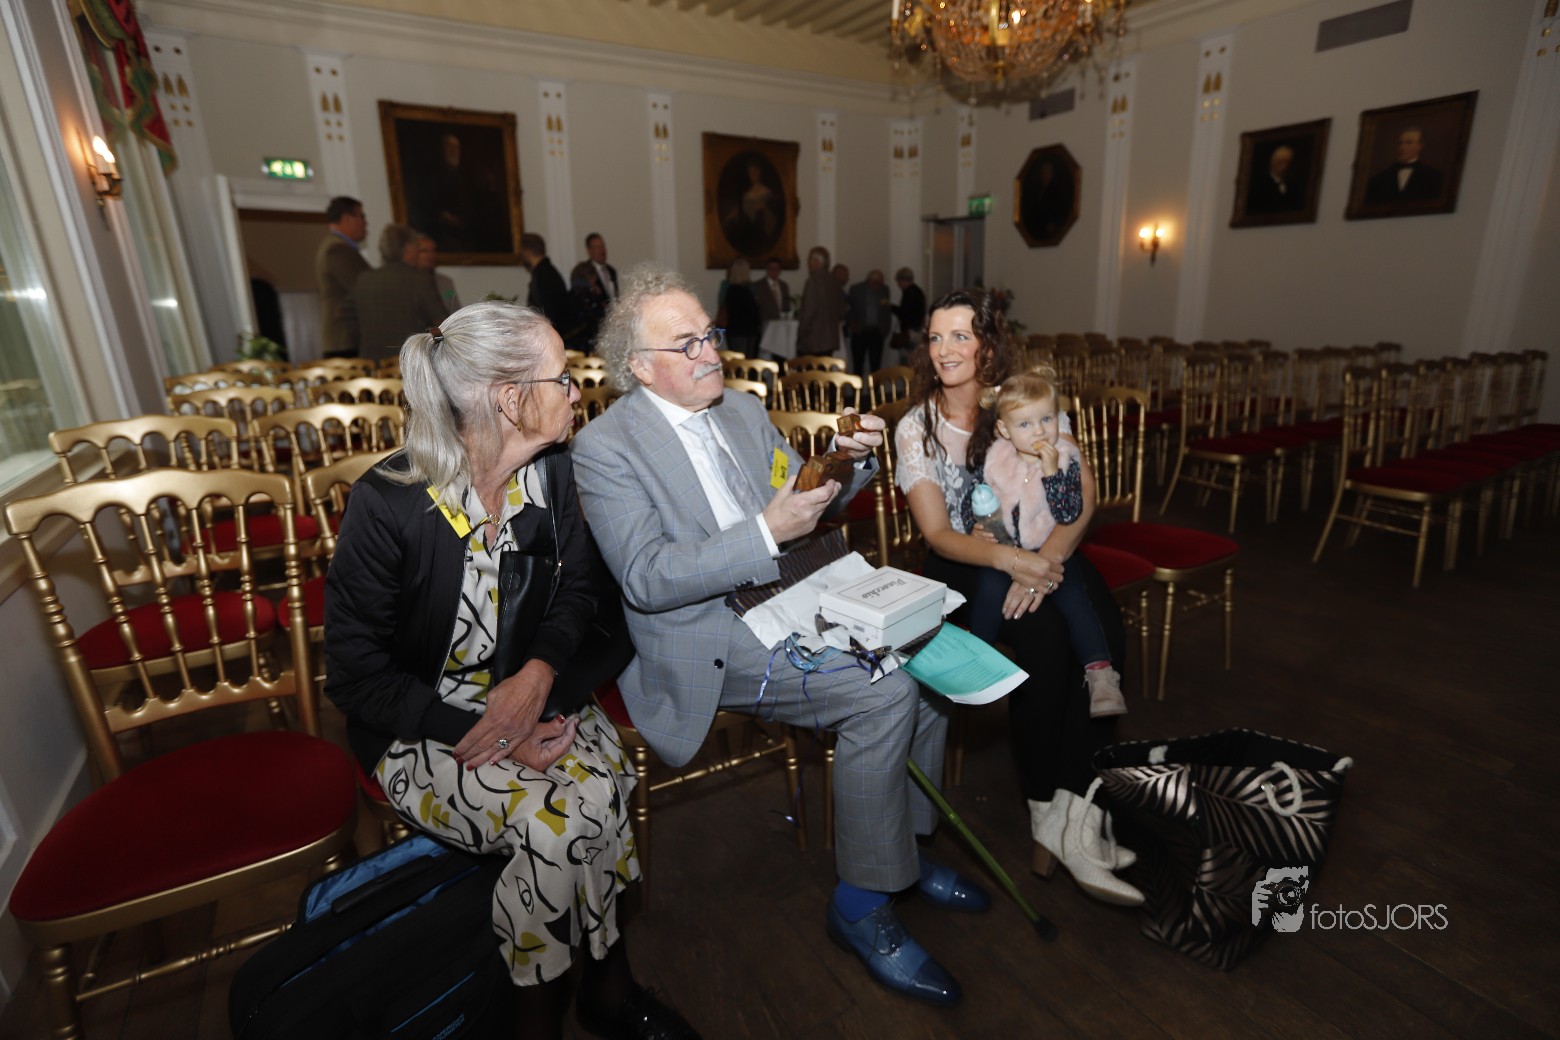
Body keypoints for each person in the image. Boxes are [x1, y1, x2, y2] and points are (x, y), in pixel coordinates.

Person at [571, 262, 989, 1008]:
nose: (711, 353)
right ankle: (861, 904)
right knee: (882, 691)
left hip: (797, 593)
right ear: (640, 366)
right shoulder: (606, 448)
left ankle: (898, 847)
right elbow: (647, 578)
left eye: (710, 334)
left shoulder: (738, 409)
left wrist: (852, 462)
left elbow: (807, 495)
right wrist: (766, 532)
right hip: (708, 629)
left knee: (922, 652)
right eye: (687, 344)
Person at [324, 301, 699, 1040]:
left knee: (605, 787)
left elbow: (581, 591)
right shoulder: (388, 505)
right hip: (421, 722)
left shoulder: (551, 475)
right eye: (562, 378)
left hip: (534, 691)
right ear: (510, 398)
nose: (577, 391)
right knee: (557, 825)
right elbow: (357, 677)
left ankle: (605, 986)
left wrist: (537, 676)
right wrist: (496, 732)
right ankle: (543, 1015)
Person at [896, 288, 1142, 906]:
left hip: (1044, 545)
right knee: (1044, 646)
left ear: (987, 344)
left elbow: (1081, 489)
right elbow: (938, 534)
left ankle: (1077, 815)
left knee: (1106, 636)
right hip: (968, 563)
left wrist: (1044, 564)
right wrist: (1013, 563)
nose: (945, 349)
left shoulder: (1022, 400)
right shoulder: (917, 427)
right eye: (935, 337)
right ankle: (1044, 811)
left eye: (960, 335)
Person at [964, 368, 1127, 718]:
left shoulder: (1064, 459)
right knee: (988, 591)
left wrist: (1052, 473)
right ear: (1004, 430)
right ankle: (977, 659)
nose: (1039, 431)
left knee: (1076, 601)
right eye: (1025, 424)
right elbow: (974, 497)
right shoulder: (996, 458)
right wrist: (973, 526)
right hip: (1007, 549)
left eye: (1047, 419)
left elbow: (1069, 513)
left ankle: (1100, 674)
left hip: (1049, 550)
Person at [352, 223, 450, 362]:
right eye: (417, 246)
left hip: (372, 363)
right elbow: (441, 321)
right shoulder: (419, 279)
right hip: (407, 361)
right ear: (408, 247)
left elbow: (351, 320)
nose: (418, 251)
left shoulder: (364, 279)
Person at [315, 196, 370, 358]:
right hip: (344, 337)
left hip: (344, 338)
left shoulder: (337, 246)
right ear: (347, 219)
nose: (365, 223)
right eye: (361, 216)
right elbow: (363, 289)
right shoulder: (337, 249)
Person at [520, 233, 584, 348]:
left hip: (552, 340)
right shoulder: (547, 272)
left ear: (527, 252)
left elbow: (546, 314)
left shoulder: (542, 276)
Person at [1363, 126, 1444, 206]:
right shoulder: (1378, 179)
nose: (1402, 147)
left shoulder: (1434, 177)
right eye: (1400, 143)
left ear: (1420, 146)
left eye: (1409, 143)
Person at [569, 232, 619, 349]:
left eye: (602, 246)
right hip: (593, 330)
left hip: (612, 324)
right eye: (597, 247)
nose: (602, 250)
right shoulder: (583, 271)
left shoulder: (611, 270)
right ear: (589, 251)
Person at [795, 246, 845, 357]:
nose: (808, 264)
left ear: (816, 262)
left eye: (809, 260)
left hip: (814, 341)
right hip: (831, 340)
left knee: (807, 368)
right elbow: (842, 310)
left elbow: (808, 312)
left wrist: (800, 334)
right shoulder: (835, 281)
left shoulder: (813, 282)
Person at [846, 269, 892, 376]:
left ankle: (875, 387)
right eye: (877, 283)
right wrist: (851, 323)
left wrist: (884, 330)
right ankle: (857, 386)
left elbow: (886, 311)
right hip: (859, 332)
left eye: (881, 283)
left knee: (876, 365)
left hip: (877, 332)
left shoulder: (885, 290)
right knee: (858, 364)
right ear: (869, 281)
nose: (879, 286)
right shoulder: (856, 289)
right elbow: (849, 309)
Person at [1245, 144, 1305, 214]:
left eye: (1288, 163)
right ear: (1273, 162)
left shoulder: (1294, 187)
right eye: (1281, 162)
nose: (1285, 166)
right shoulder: (1260, 187)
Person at [721, 257, 762, 358]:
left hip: (734, 331)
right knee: (748, 362)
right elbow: (754, 314)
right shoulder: (746, 291)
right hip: (748, 332)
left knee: (736, 361)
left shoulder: (730, 290)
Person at [415, 233, 461, 312]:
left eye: (433, 250)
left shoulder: (445, 281)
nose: (431, 255)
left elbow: (456, 310)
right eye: (424, 251)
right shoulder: (407, 282)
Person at [892, 267, 926, 359]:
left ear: (903, 280)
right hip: (917, 329)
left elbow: (904, 313)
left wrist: (891, 307)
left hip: (910, 331)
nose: (898, 284)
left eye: (898, 281)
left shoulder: (909, 293)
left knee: (907, 358)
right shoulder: (917, 291)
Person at [753, 257, 791, 325]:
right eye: (771, 268)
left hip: (781, 324)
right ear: (766, 269)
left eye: (776, 268)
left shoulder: (784, 286)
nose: (773, 270)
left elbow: (786, 306)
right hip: (764, 324)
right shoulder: (758, 285)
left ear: (780, 270)